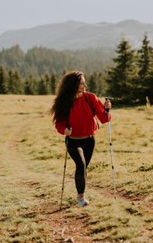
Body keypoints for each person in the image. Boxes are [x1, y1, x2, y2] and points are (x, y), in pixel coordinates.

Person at [50, 71, 111, 207]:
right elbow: (59, 123)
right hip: (72, 140)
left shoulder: (91, 98)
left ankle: (80, 194)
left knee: (83, 168)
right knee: (81, 164)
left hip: (89, 140)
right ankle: (81, 198)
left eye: (84, 82)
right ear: (74, 85)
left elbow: (103, 119)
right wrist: (64, 130)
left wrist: (107, 110)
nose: (85, 85)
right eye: (82, 83)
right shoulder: (65, 102)